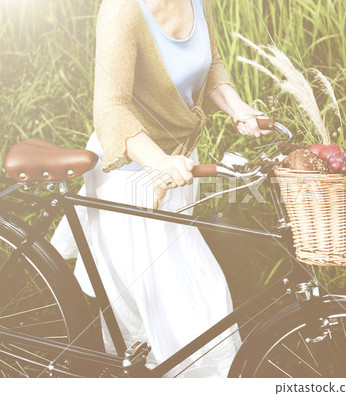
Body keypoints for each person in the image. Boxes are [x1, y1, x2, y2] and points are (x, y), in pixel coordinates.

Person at [51, 0, 271, 377]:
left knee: (162, 293)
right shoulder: (123, 11)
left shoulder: (199, 3)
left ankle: (140, 370)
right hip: (133, 171)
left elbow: (211, 66)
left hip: (181, 163)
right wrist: (160, 162)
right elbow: (111, 110)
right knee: (181, 296)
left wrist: (239, 110)